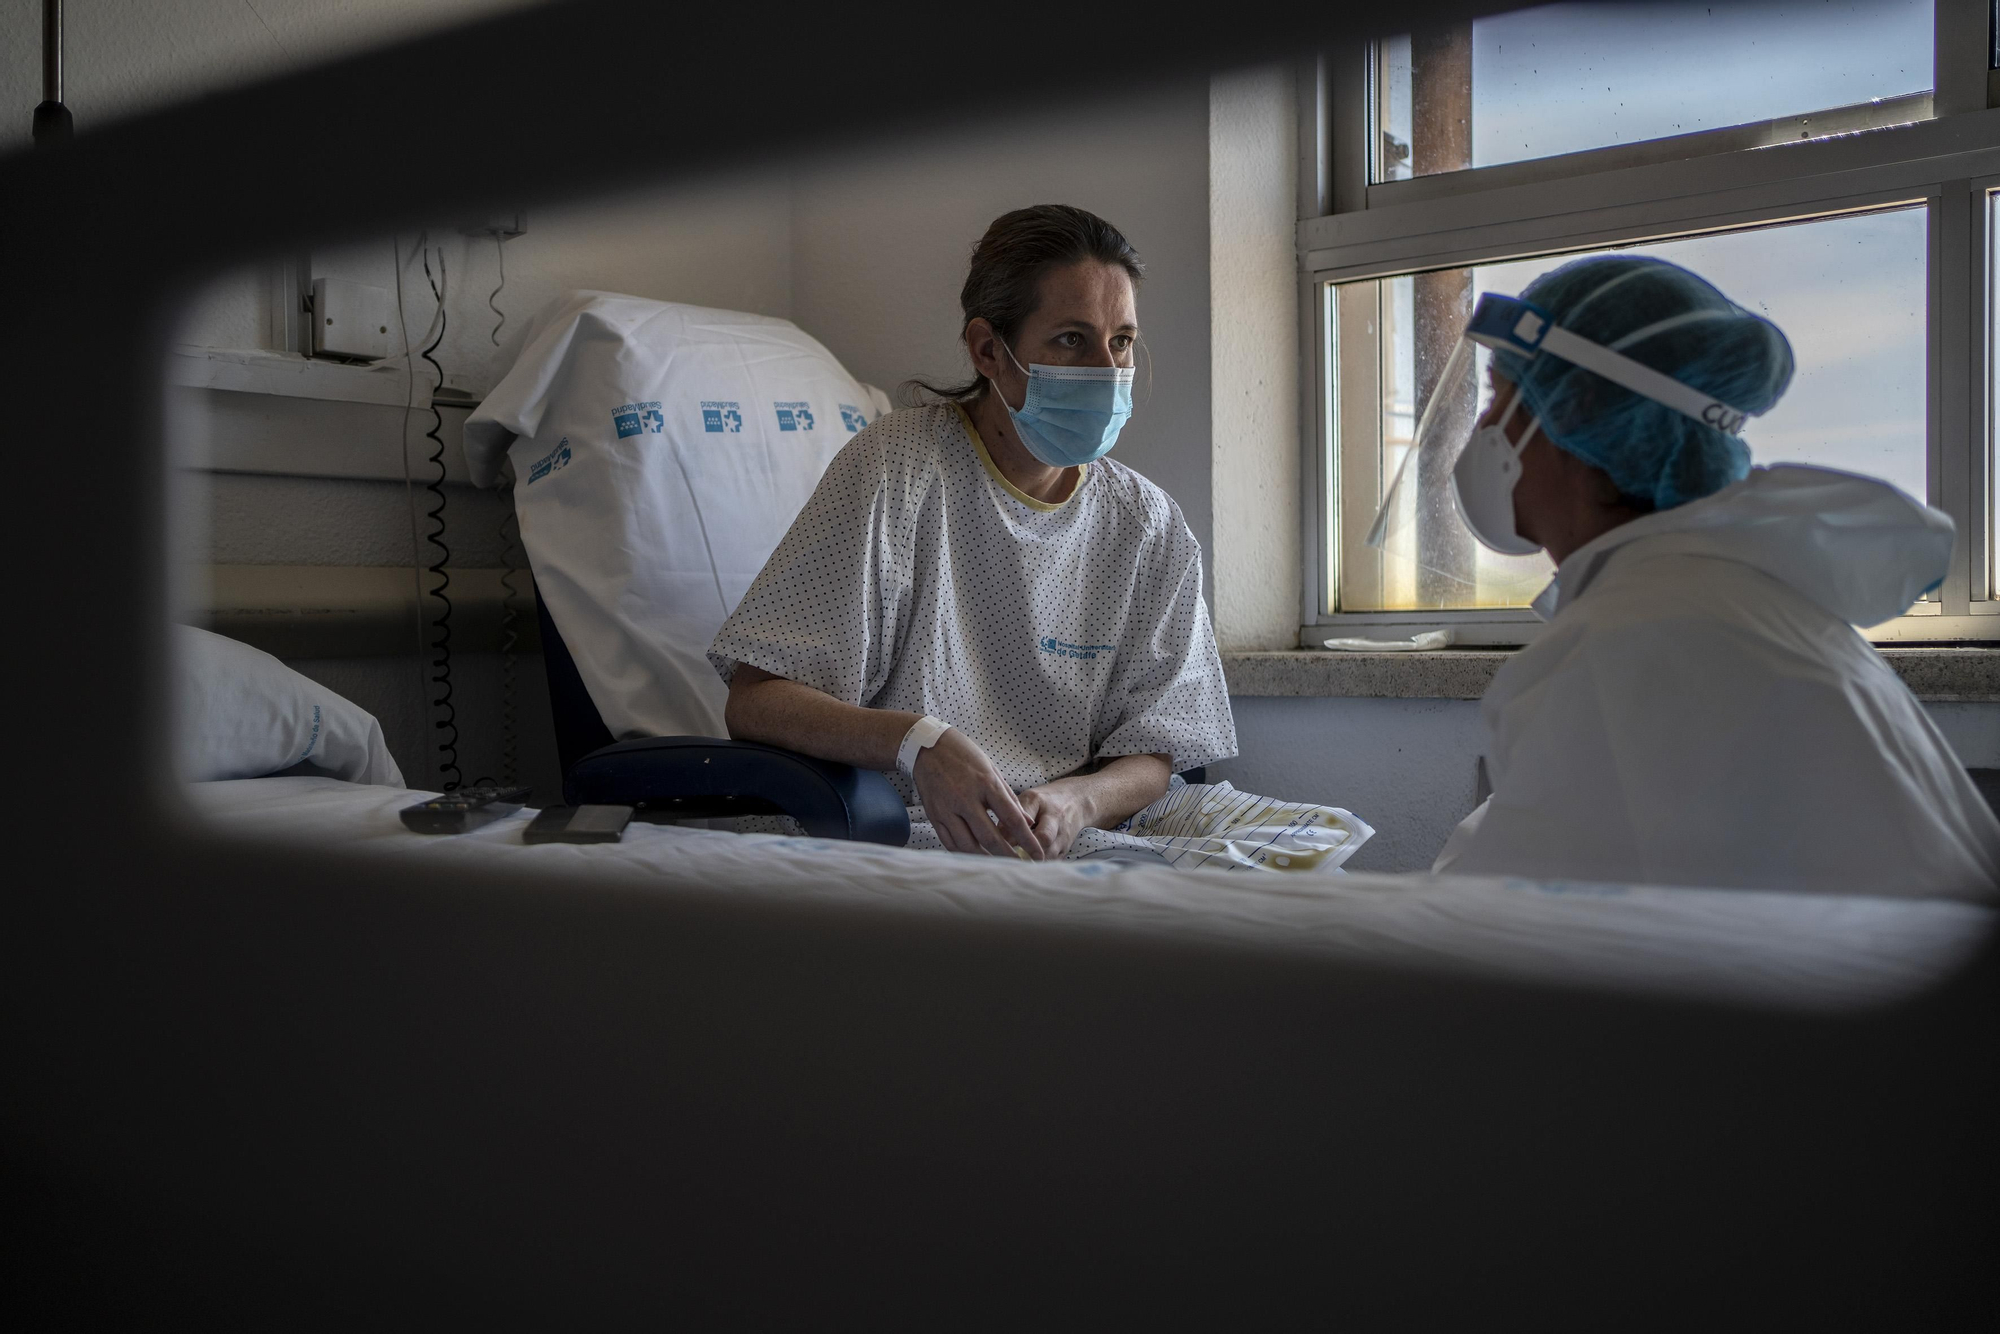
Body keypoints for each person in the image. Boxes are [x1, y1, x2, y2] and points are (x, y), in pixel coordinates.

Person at [1420, 255, 1999, 897]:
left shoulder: (1638, 639)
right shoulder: (1725, 601)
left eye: (1500, 394)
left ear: (1576, 409)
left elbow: (1520, 957)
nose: (1484, 426)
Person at [707, 205, 1254, 863]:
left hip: (1062, 845)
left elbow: (1157, 750)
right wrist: (918, 741)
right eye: (1071, 340)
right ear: (989, 350)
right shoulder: (897, 471)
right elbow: (757, 703)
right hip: (900, 839)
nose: (1106, 371)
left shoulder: (1149, 526)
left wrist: (1078, 800)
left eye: (1122, 341)